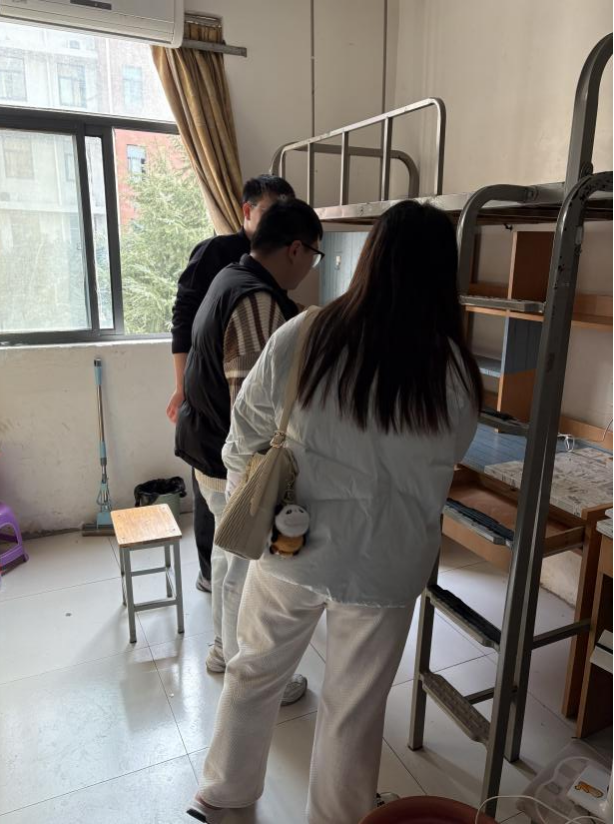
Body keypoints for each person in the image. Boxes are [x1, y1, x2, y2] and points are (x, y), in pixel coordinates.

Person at [187, 201, 483, 824]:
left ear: (370, 258)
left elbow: (243, 434)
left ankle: (222, 795)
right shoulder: (454, 368)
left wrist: (254, 497)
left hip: (293, 546)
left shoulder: (307, 333)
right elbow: (451, 453)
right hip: (387, 565)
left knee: (254, 672)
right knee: (355, 707)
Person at [177, 198, 325, 707]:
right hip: (230, 456)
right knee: (245, 568)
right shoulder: (257, 300)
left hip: (205, 444)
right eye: (314, 256)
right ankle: (252, 676)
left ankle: (223, 650)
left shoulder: (231, 276)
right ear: (295, 248)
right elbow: (251, 402)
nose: (310, 268)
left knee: (226, 557)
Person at [168, 175, 296, 593]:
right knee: (217, 493)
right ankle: (211, 573)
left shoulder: (269, 269)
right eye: (272, 211)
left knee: (224, 500)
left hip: (223, 399)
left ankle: (221, 575)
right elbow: (185, 322)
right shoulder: (219, 255)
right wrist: (182, 386)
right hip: (209, 395)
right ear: (247, 211)